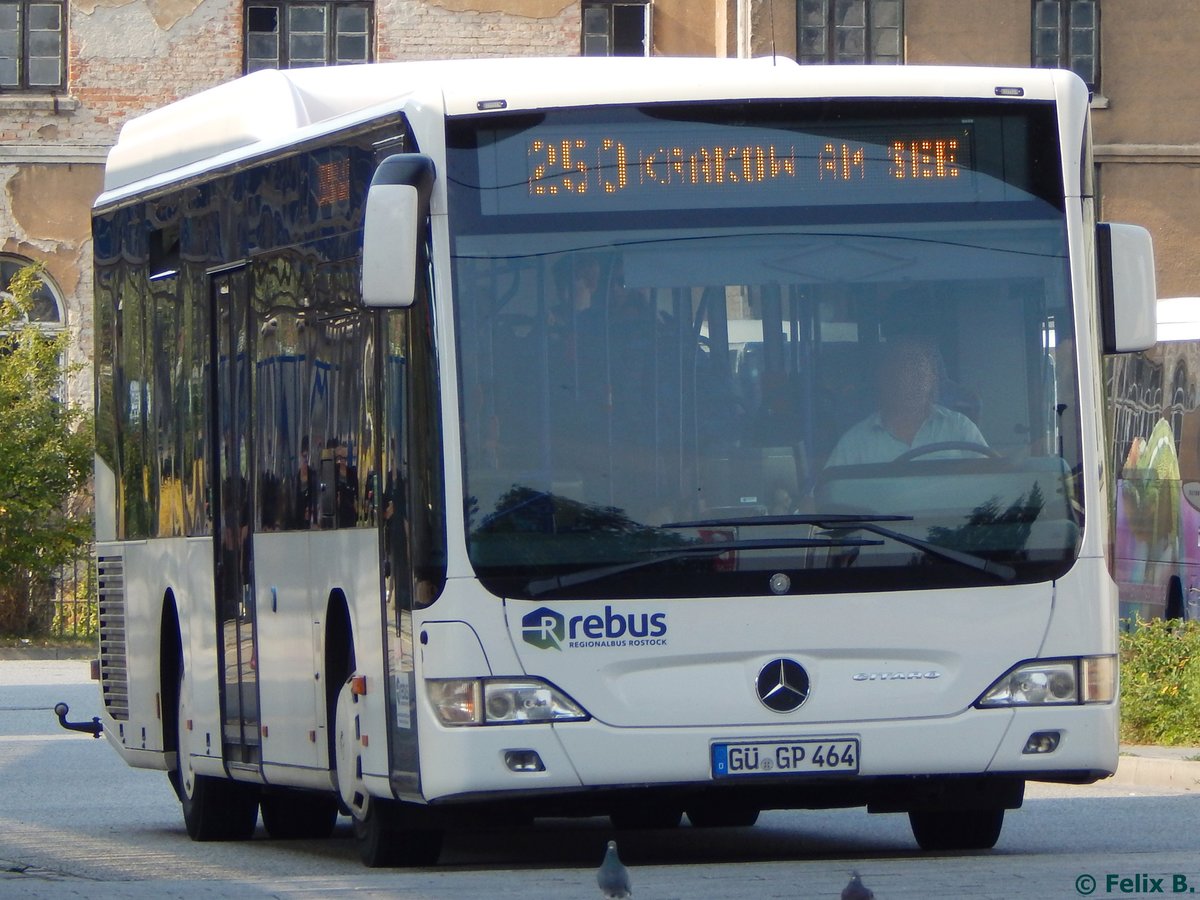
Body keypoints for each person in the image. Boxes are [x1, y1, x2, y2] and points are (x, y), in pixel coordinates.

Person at [825, 335, 986, 467]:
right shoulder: (855, 441)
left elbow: (988, 483)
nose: (908, 382)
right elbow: (822, 497)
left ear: (932, 379)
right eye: (899, 373)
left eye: (918, 373)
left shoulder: (960, 427)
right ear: (884, 380)